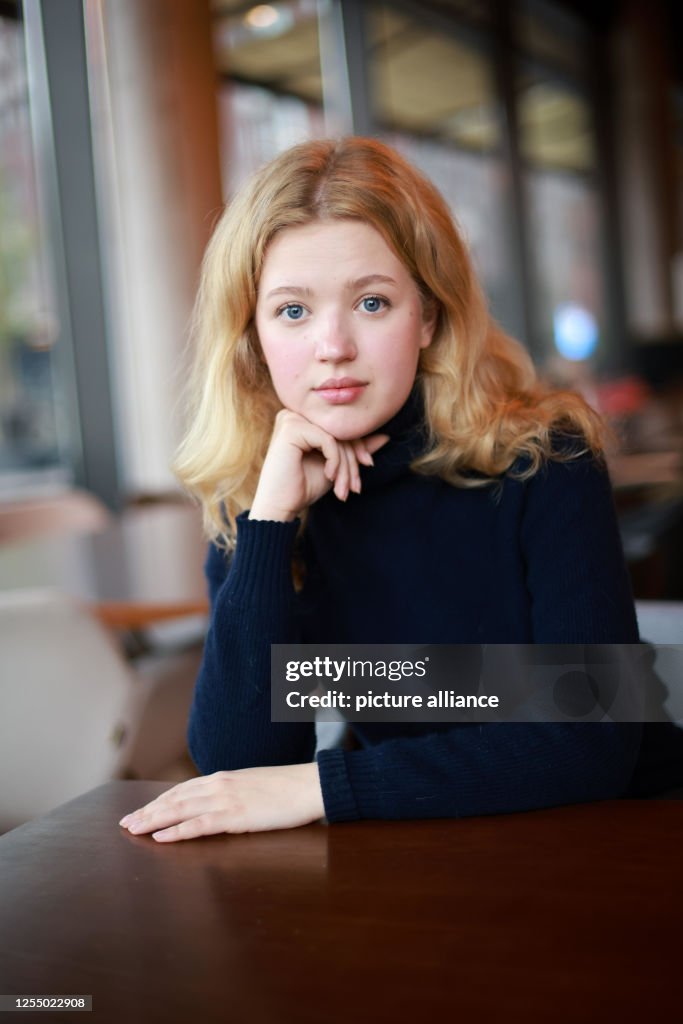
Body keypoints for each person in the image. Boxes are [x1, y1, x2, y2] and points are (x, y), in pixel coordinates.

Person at [118, 136, 671, 844]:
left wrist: (325, 779)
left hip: (610, 840)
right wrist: (269, 525)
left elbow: (590, 745)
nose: (333, 346)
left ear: (428, 317)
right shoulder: (262, 495)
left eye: (372, 303)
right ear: (253, 338)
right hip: (422, 847)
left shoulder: (545, 459)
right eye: (292, 311)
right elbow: (240, 763)